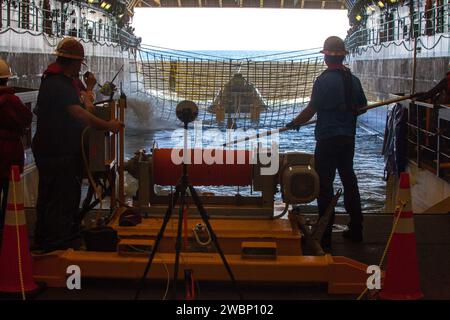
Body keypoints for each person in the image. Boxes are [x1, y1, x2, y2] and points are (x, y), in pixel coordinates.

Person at [32, 37, 123, 252]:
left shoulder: (56, 82)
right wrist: (109, 125)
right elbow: (81, 114)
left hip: (52, 150)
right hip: (58, 152)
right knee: (61, 197)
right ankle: (57, 244)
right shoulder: (59, 85)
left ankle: (46, 239)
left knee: (51, 195)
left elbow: (86, 107)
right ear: (74, 63)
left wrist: (89, 88)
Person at [286, 36, 367, 251]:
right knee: (349, 180)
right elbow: (363, 107)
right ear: (342, 56)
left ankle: (325, 236)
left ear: (326, 59)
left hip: (327, 139)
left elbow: (311, 110)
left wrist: (294, 123)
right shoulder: (354, 80)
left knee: (324, 186)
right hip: (347, 138)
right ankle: (357, 228)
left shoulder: (323, 81)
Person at [0, 59, 33, 231]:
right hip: (9, 153)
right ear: (7, 79)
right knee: (10, 198)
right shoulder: (11, 101)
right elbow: (27, 118)